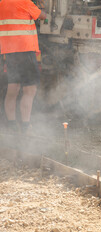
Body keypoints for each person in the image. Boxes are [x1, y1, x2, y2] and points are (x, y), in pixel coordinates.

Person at [0, 0, 46, 134]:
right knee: (29, 89)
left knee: (12, 88)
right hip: (25, 51)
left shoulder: (2, 3)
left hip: (9, 52)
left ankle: (12, 125)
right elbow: (43, 16)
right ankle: (26, 127)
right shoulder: (24, 2)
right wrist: (42, 9)